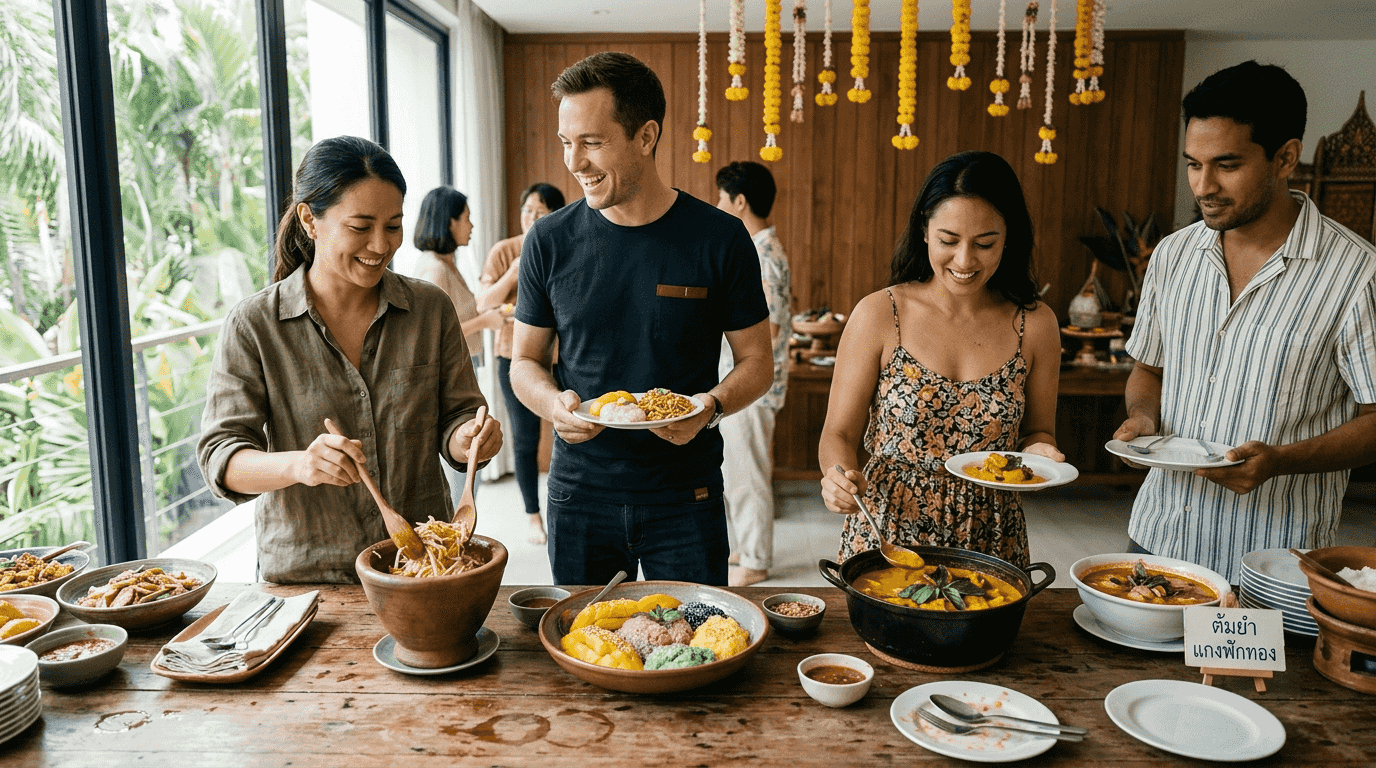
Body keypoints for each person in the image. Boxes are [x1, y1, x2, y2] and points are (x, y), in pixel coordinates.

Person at [510, 51, 774, 587]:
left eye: (592, 142)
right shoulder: (548, 240)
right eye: (565, 142)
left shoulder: (720, 238)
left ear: (646, 136)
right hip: (580, 491)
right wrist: (552, 405)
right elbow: (524, 362)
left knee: (697, 631)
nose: (574, 162)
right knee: (585, 633)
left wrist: (711, 406)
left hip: (686, 493)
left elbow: (757, 362)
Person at [1112, 61, 1376, 580]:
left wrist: (1281, 460)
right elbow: (1149, 370)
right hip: (1158, 537)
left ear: (1285, 158)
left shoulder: (1357, 273)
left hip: (1273, 560)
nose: (1203, 186)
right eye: (1193, 164)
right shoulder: (1172, 256)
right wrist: (1142, 419)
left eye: (1226, 165)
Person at [198, 136, 503, 584]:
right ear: (310, 219)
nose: (381, 245)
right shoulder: (255, 325)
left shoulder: (429, 309)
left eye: (393, 226)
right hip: (307, 578)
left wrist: (468, 439)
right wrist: (299, 465)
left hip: (421, 570)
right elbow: (221, 458)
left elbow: (458, 416)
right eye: (360, 227)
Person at [818, 150, 1064, 569]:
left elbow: (1038, 431)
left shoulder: (1035, 324)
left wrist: (1041, 451)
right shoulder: (880, 313)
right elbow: (838, 432)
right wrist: (839, 477)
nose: (964, 260)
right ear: (925, 231)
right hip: (889, 532)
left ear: (1009, 237)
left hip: (991, 535)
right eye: (949, 240)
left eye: (985, 243)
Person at [714, 161, 791, 586]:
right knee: (739, 471)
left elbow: (771, 327)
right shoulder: (761, 249)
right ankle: (746, 548)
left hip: (751, 386)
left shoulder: (762, 254)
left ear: (740, 201)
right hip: (743, 382)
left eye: (722, 198)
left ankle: (756, 560)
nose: (718, 205)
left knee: (749, 475)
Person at [478, 183, 566, 545]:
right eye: (527, 210)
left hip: (562, 357)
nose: (531, 218)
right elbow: (484, 302)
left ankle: (564, 509)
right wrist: (514, 271)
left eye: (540, 212)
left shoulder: (563, 245)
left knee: (569, 430)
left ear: (556, 215)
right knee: (525, 439)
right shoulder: (504, 251)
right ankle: (533, 515)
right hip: (513, 356)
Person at [411, 186, 506, 511]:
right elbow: (431, 335)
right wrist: (484, 322)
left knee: (471, 457)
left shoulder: (447, 264)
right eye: (466, 218)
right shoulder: (434, 269)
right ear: (449, 222)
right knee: (465, 458)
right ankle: (456, 528)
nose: (472, 225)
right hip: (448, 372)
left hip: (466, 362)